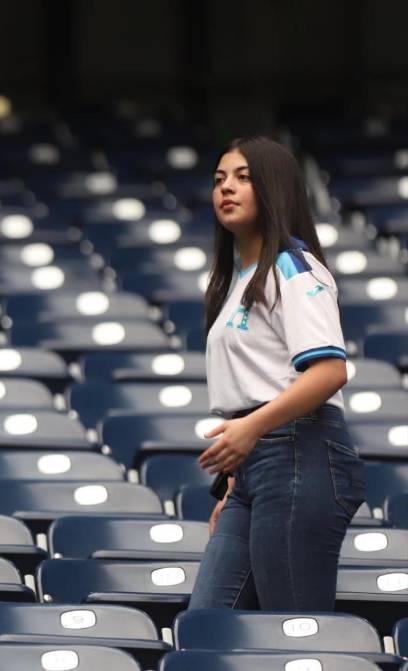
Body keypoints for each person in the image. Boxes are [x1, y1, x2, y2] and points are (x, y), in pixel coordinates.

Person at [189, 136, 366, 611]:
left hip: (299, 454)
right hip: (253, 470)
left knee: (294, 631)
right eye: (219, 180)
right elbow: (249, 388)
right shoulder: (234, 280)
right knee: (208, 630)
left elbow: (330, 371)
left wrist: (252, 429)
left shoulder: (292, 265)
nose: (227, 188)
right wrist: (232, 483)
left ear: (275, 188)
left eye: (244, 178)